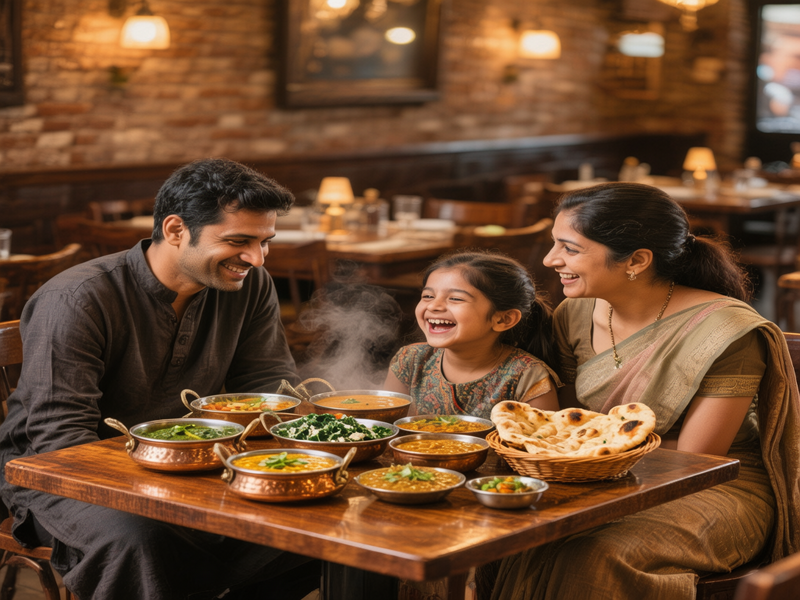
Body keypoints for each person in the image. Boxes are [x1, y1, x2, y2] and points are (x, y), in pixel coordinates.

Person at [0, 158, 318, 600]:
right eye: (238, 241)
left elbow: (269, 386)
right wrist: (173, 487)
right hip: (59, 475)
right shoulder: (77, 299)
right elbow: (60, 441)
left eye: (265, 242)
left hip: (195, 460)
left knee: (314, 526)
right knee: (142, 537)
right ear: (174, 230)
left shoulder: (252, 283)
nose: (257, 258)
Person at [478, 182, 800, 600]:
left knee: (595, 552)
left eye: (569, 248)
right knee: (514, 535)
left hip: (718, 486)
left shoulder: (725, 331)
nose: (549, 259)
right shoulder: (575, 312)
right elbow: (568, 429)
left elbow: (697, 459)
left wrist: (592, 461)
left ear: (637, 260)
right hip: (601, 478)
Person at [382, 250, 561, 419]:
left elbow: (542, 444)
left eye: (456, 298)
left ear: (503, 319)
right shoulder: (410, 360)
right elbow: (387, 426)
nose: (433, 306)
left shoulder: (528, 376)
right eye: (428, 296)